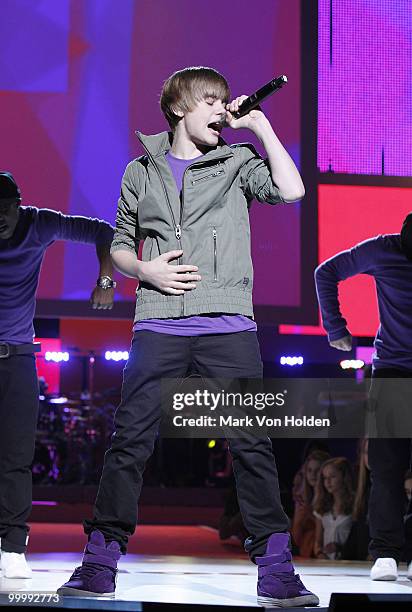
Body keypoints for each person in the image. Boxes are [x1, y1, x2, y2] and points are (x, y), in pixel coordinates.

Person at [58, 66, 319, 607]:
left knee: (252, 446)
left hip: (227, 322)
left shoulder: (237, 162)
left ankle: (276, 570)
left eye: (226, 102)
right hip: (157, 321)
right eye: (210, 101)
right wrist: (145, 272)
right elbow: (122, 243)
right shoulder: (141, 170)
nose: (222, 110)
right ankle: (100, 561)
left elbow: (292, 190)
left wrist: (262, 128)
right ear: (178, 107)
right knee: (129, 443)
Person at [0, 171, 115, 578]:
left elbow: (104, 230)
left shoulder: (40, 223)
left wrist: (105, 278)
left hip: (17, 359)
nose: (1, 217)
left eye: (6, 208)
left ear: (19, 204)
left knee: (15, 456)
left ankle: (12, 547)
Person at [315, 213, 412, 580]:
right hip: (392, 372)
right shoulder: (383, 249)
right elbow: (326, 271)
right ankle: (385, 553)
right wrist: (335, 327)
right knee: (386, 467)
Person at [313, 457, 354, 560]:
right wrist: (320, 554)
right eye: (325, 478)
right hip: (326, 563)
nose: (328, 482)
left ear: (344, 477)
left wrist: (340, 548)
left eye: (332, 476)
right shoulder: (321, 506)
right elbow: (318, 541)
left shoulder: (355, 505)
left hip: (349, 561)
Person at [291, 450, 330, 557]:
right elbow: (295, 536)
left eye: (317, 471)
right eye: (309, 470)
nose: (312, 475)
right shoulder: (302, 500)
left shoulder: (331, 499)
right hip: (303, 550)